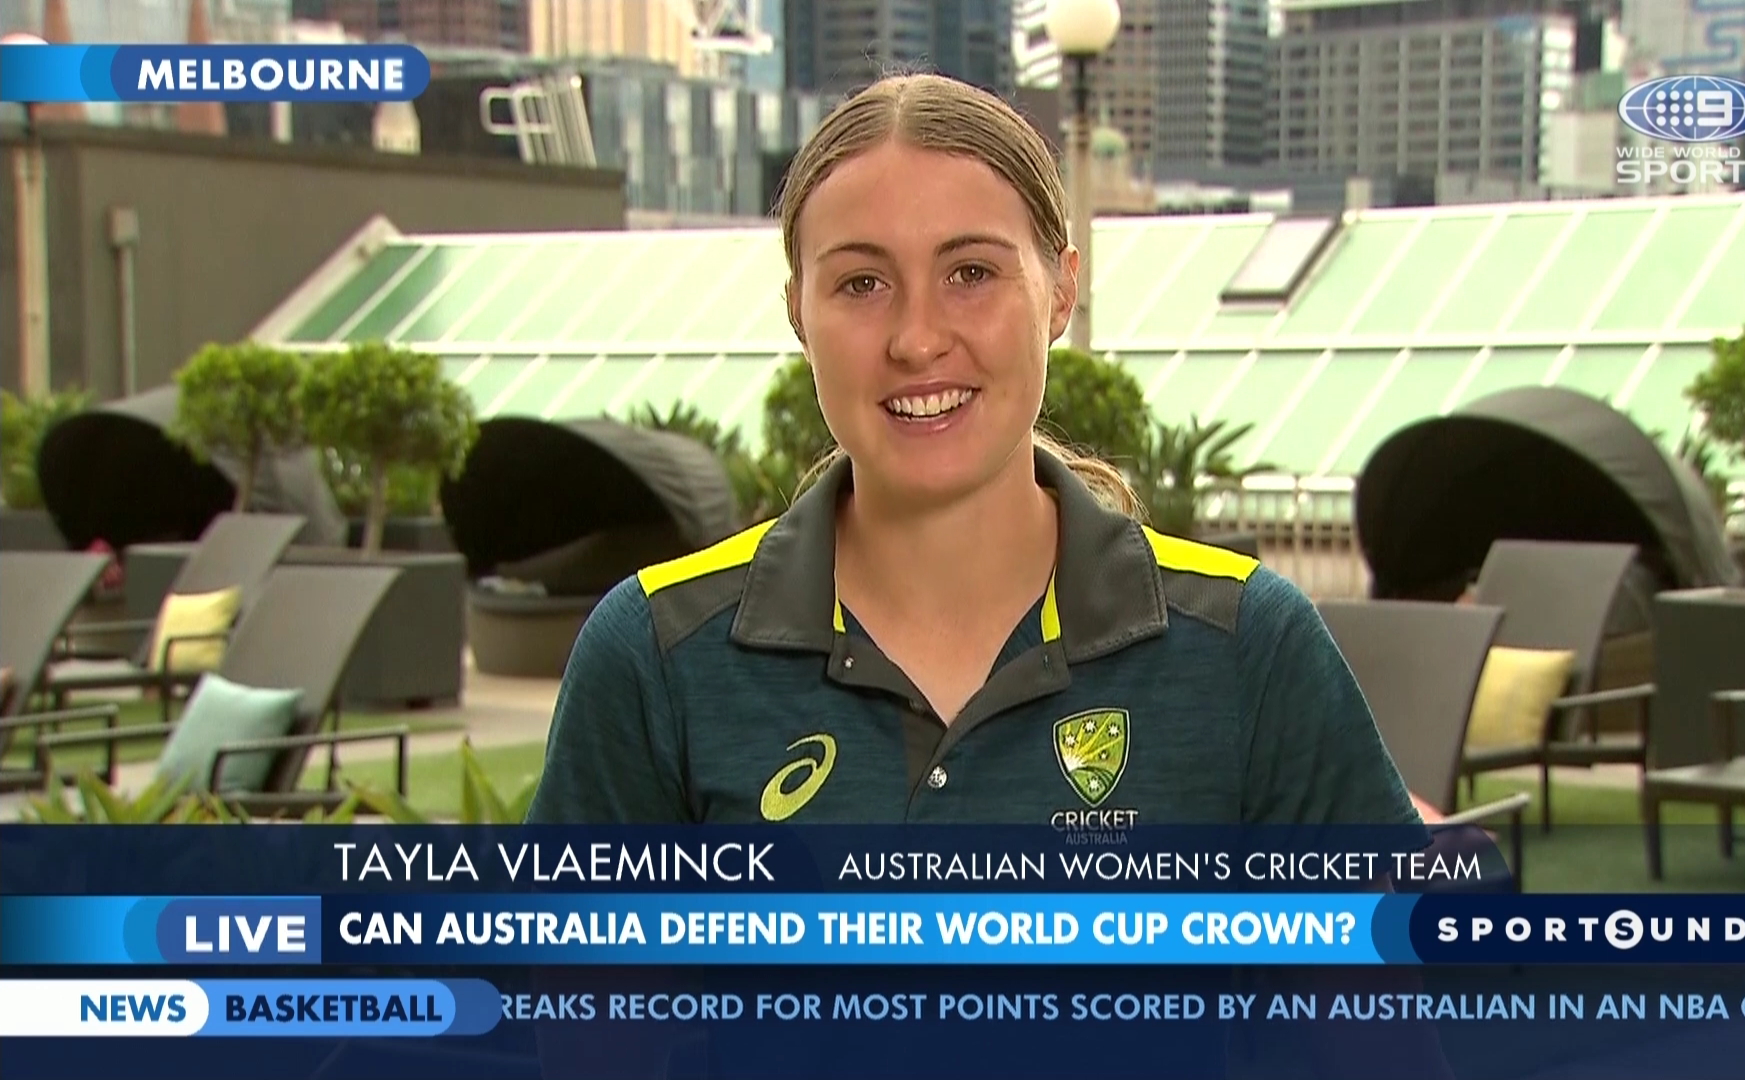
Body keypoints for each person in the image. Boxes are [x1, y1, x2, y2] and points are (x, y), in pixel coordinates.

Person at [523, 73, 1422, 834]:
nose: (918, 339)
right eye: (862, 283)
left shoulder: (1245, 647)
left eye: (972, 274)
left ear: (1061, 290)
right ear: (799, 312)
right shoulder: (657, 656)